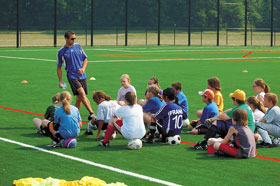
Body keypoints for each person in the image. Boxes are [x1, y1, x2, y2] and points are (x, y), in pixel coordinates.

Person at [57, 30, 95, 121]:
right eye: (72, 38)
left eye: (74, 38)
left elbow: (85, 60)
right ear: (66, 38)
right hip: (72, 76)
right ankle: (92, 113)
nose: (74, 40)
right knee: (81, 93)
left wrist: (83, 69)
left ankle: (74, 116)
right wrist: (60, 80)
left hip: (82, 75)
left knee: (79, 98)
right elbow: (59, 67)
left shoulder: (78, 46)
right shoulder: (61, 52)